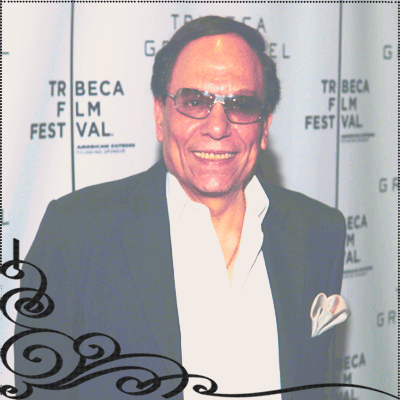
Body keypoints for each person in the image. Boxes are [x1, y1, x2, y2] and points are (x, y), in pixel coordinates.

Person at [12, 16, 346, 400]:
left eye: (241, 104)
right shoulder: (76, 233)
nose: (217, 127)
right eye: (195, 101)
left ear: (265, 125)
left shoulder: (317, 232)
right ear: (160, 116)